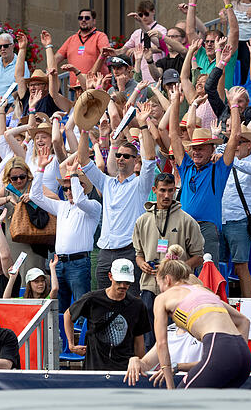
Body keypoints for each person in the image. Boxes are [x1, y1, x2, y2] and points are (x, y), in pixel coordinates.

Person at [79, 112, 156, 291]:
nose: (121, 158)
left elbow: (150, 159)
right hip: (105, 251)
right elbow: (83, 160)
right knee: (103, 299)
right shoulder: (106, 182)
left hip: (129, 250)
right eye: (119, 155)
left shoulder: (140, 184)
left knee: (130, 300)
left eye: (126, 156)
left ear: (135, 160)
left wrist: (143, 125)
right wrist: (84, 129)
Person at [151, 259, 251, 388]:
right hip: (243, 354)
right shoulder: (202, 290)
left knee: (179, 402)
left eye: (159, 284)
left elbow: (162, 344)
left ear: (167, 279)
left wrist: (170, 388)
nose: (161, 290)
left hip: (220, 347)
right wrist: (235, 351)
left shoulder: (163, 298)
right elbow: (244, 321)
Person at [169, 88, 241, 264]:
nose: (196, 152)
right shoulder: (186, 166)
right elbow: (173, 135)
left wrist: (233, 105)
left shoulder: (219, 169)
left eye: (201, 148)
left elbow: (236, 136)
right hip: (183, 227)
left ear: (212, 149)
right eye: (194, 148)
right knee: (181, 275)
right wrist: (175, 103)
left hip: (207, 229)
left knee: (207, 276)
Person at [132, 172, 205, 346]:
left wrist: (178, 269)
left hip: (178, 286)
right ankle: (151, 368)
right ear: (154, 190)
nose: (166, 195)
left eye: (170, 191)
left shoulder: (187, 221)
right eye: (162, 190)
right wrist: (142, 264)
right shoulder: (142, 220)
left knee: (176, 334)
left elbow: (199, 257)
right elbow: (138, 254)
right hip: (150, 284)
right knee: (149, 333)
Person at [30, 156, 101, 312]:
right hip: (59, 263)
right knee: (59, 311)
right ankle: (62, 337)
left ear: (82, 186)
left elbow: (81, 201)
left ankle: (80, 337)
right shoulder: (61, 206)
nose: (68, 191)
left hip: (79, 263)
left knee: (81, 310)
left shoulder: (93, 206)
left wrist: (74, 176)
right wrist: (40, 169)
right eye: (65, 188)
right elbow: (34, 196)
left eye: (71, 187)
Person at [64, 258, 150, 371]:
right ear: (110, 276)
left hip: (124, 367)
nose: (123, 285)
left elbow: (139, 340)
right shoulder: (92, 299)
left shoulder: (137, 305)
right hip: (95, 366)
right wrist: (71, 345)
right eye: (119, 281)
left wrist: (140, 366)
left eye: (127, 282)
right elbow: (68, 314)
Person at [220, 125, 251, 297]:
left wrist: (229, 156)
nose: (236, 145)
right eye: (234, 142)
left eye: (240, 142)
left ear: (249, 145)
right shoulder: (227, 162)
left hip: (240, 220)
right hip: (220, 219)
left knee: (241, 266)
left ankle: (250, 306)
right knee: (218, 266)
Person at [55, 9, 111, 88]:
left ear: (94, 21)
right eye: (80, 18)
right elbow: (56, 58)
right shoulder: (71, 39)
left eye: (87, 18)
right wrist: (49, 71)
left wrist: (91, 74)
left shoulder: (100, 36)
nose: (83, 20)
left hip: (96, 86)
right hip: (76, 88)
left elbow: (105, 53)